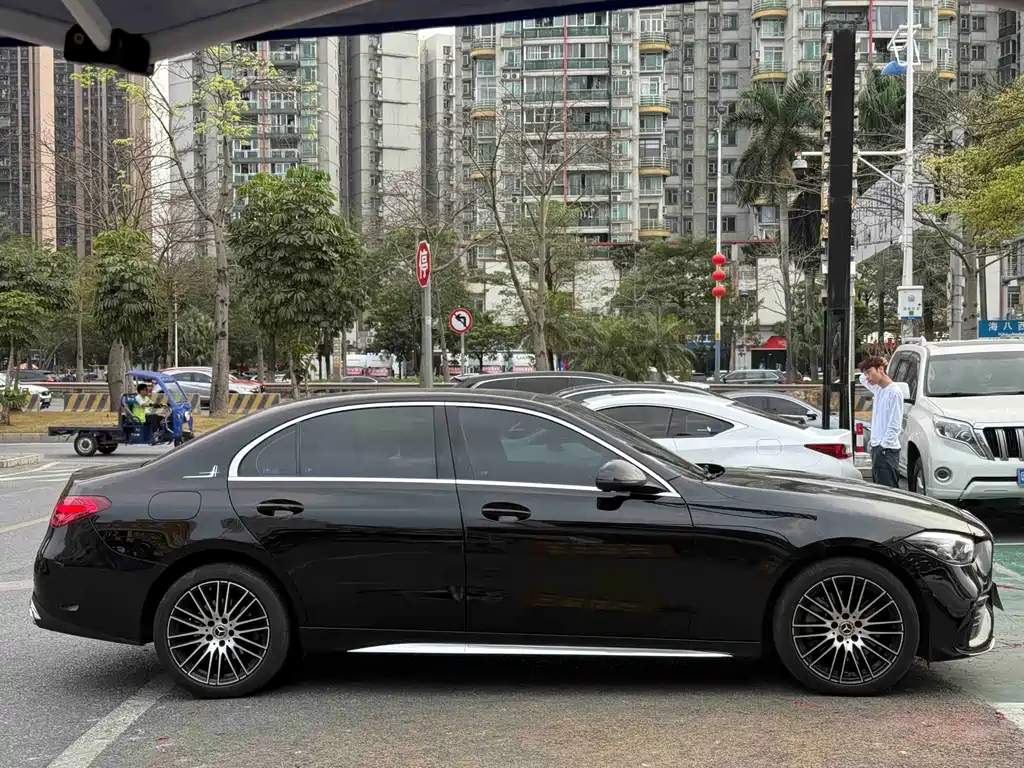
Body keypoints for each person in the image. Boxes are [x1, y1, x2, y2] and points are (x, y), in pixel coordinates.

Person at [859, 355, 903, 487]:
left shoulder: (894, 392)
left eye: (869, 372)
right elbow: (861, 379)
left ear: (880, 369)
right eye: (866, 373)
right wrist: (877, 359)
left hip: (887, 450)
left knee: (888, 490)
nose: (867, 377)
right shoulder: (878, 389)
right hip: (877, 447)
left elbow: (895, 425)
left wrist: (883, 447)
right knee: (878, 489)